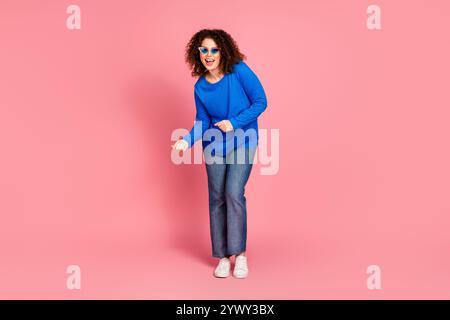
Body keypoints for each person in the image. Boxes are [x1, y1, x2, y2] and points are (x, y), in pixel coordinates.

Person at [172, 29, 268, 278]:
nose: (209, 54)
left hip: (244, 139)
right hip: (214, 145)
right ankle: (223, 257)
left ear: (222, 50)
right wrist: (186, 141)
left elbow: (260, 101)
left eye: (214, 49)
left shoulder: (239, 70)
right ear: (198, 53)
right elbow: (202, 122)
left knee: (233, 192)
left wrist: (234, 122)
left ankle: (241, 256)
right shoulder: (200, 87)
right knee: (217, 197)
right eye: (204, 49)